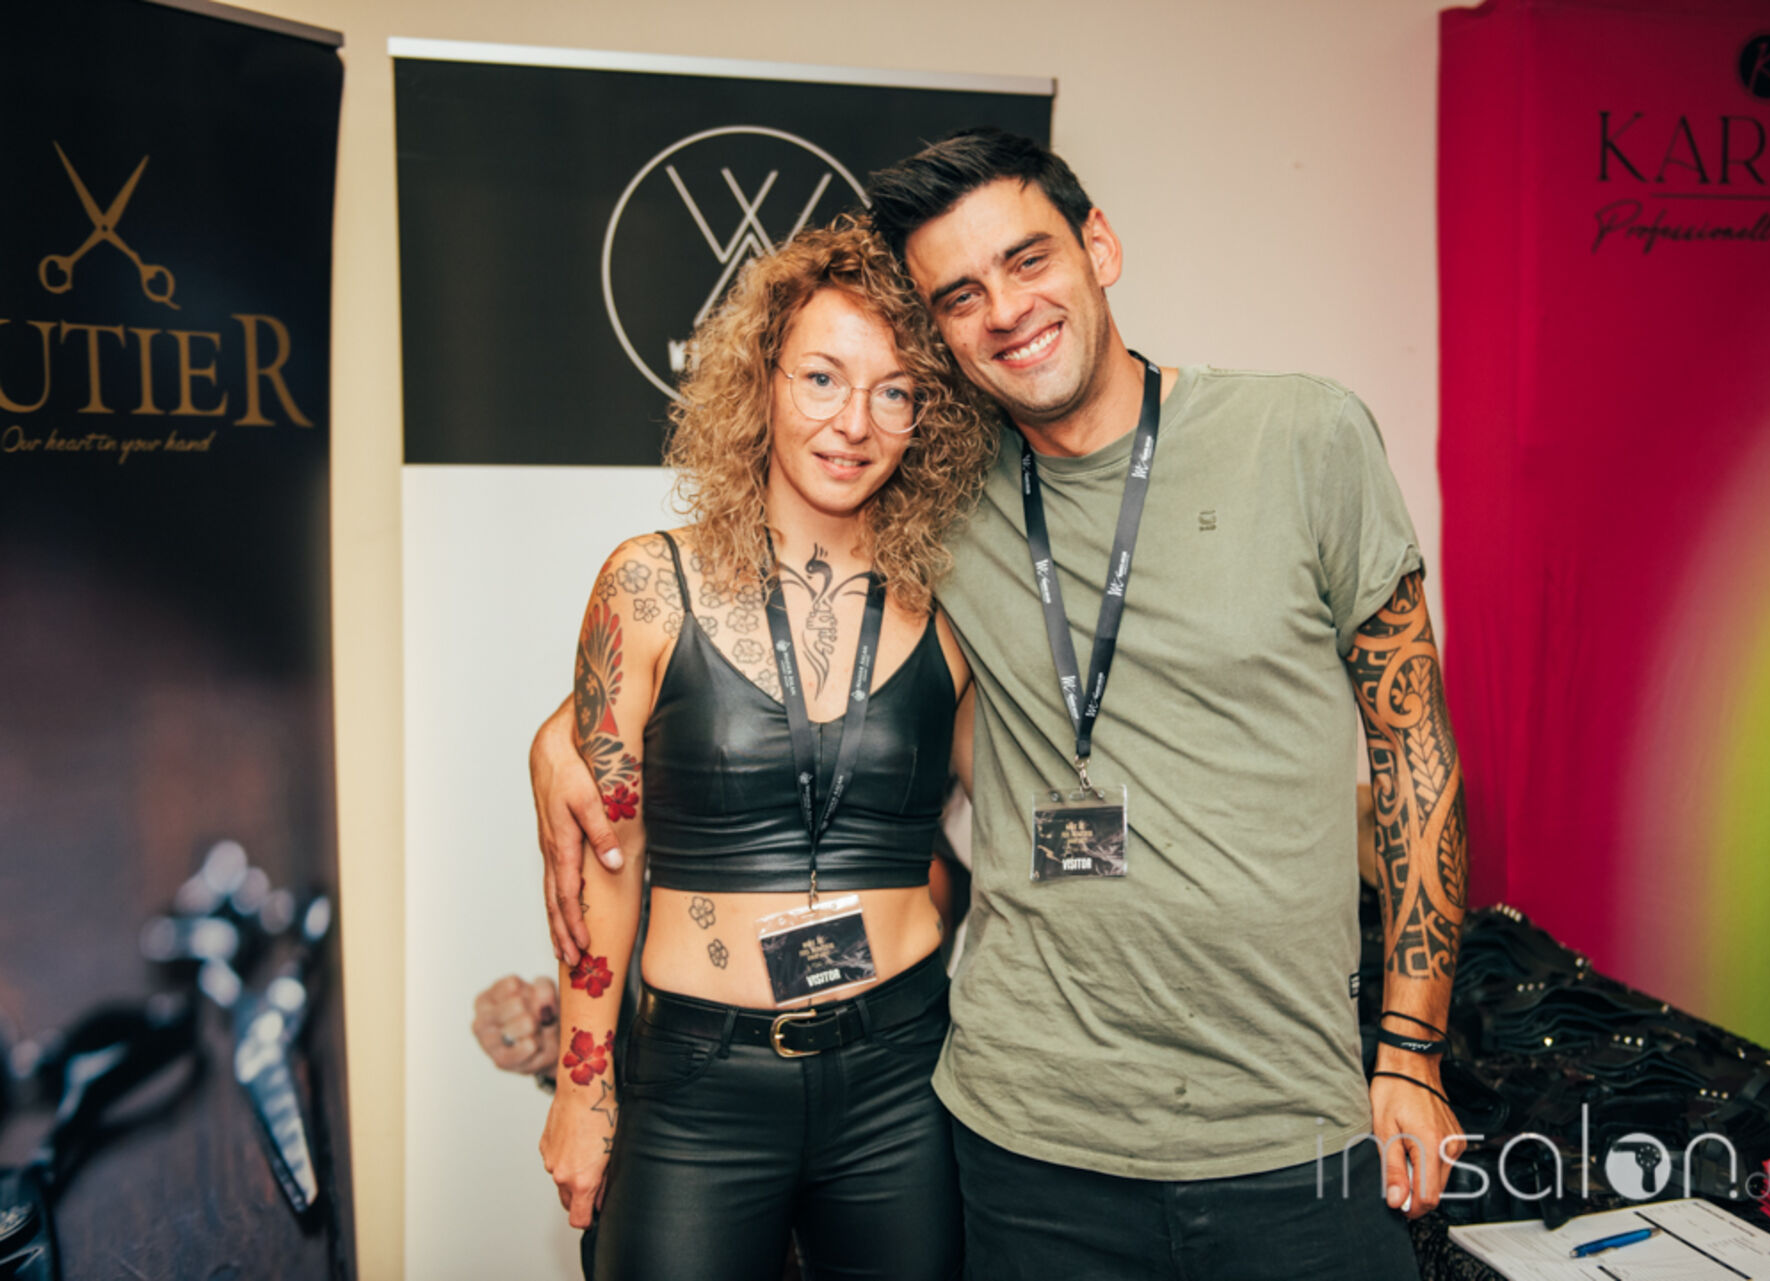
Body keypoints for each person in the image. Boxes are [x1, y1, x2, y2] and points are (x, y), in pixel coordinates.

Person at [531, 131, 1468, 1281]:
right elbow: (686, 721)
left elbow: (1412, 743)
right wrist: (564, 738)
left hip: (1209, 1114)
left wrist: (1411, 1046)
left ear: (1099, 247)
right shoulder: (835, 532)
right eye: (961, 295)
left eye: (1028, 260)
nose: (1007, 311)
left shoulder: (1276, 447)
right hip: (981, 1125)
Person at [536, 216, 992, 1281]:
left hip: (900, 1079)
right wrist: (582, 1084)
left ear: (926, 415)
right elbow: (604, 859)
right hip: (698, 1087)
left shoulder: (958, 609)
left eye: (894, 391)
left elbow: (1017, 815)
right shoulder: (648, 583)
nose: (854, 423)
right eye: (822, 379)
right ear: (762, 382)